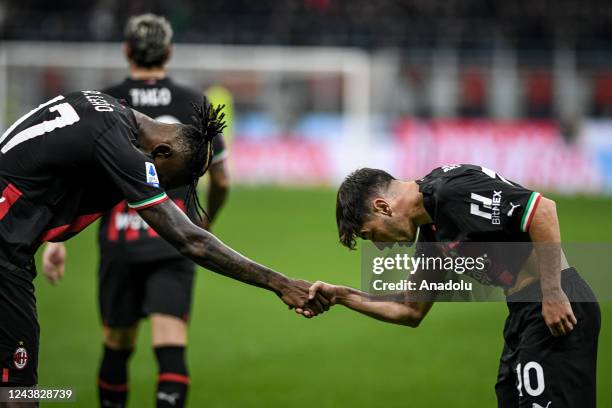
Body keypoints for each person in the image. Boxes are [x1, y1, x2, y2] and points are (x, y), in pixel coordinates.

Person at [0, 90, 328, 407]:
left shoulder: (101, 105)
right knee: (19, 393)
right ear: (163, 152)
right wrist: (280, 284)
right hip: (5, 252)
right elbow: (191, 240)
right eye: (166, 180)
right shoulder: (119, 144)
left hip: (14, 243)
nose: (161, 187)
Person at [41, 14, 229, 408]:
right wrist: (203, 222)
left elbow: (74, 178)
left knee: (116, 345)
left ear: (126, 50)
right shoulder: (195, 102)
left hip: (119, 239)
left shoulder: (103, 100)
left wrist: (56, 240)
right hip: (172, 237)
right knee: (171, 344)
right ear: (169, 52)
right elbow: (223, 179)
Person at [302, 164, 600, 408]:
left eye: (371, 235)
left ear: (382, 206)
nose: (379, 247)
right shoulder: (432, 226)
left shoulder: (451, 192)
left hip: (555, 307)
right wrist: (341, 295)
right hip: (524, 313)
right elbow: (409, 308)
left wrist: (552, 292)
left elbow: (542, 210)